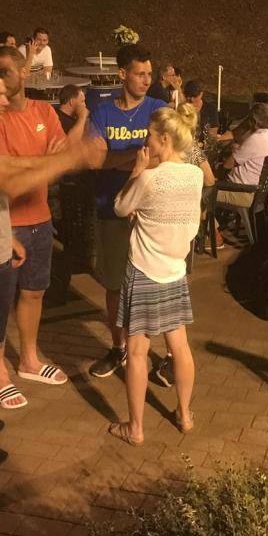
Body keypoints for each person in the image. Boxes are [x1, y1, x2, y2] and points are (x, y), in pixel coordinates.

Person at [0, 63, 103, 464]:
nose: (5, 100)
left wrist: (6, 235)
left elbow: (11, 168)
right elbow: (11, 183)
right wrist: (69, 159)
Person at [108, 104, 203, 445]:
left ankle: (135, 428)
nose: (145, 140)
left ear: (164, 139)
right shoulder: (195, 174)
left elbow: (121, 207)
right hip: (175, 269)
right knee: (180, 347)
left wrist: (136, 171)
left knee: (137, 351)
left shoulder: (150, 177)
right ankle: (185, 414)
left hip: (145, 269)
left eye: (149, 134)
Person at [0, 47, 70, 410]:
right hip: (5, 225)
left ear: (24, 72)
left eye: (6, 72)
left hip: (40, 220)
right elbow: (5, 171)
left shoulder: (44, 111)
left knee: (34, 292)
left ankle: (29, 360)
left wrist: (41, 163)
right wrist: (44, 161)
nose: (0, 81)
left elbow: (61, 159)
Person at [87, 44, 168, 378]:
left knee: (154, 284)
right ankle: (118, 347)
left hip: (149, 214)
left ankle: (161, 353)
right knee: (115, 284)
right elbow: (94, 160)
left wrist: (119, 160)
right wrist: (137, 156)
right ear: (122, 74)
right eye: (139, 74)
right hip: (111, 208)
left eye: (149, 74)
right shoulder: (103, 111)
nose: (146, 80)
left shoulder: (158, 109)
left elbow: (165, 156)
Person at [217, 102, 268, 208]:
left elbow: (227, 165)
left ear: (254, 122)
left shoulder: (256, 139)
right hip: (258, 193)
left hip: (241, 191)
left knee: (203, 193)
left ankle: (210, 219)